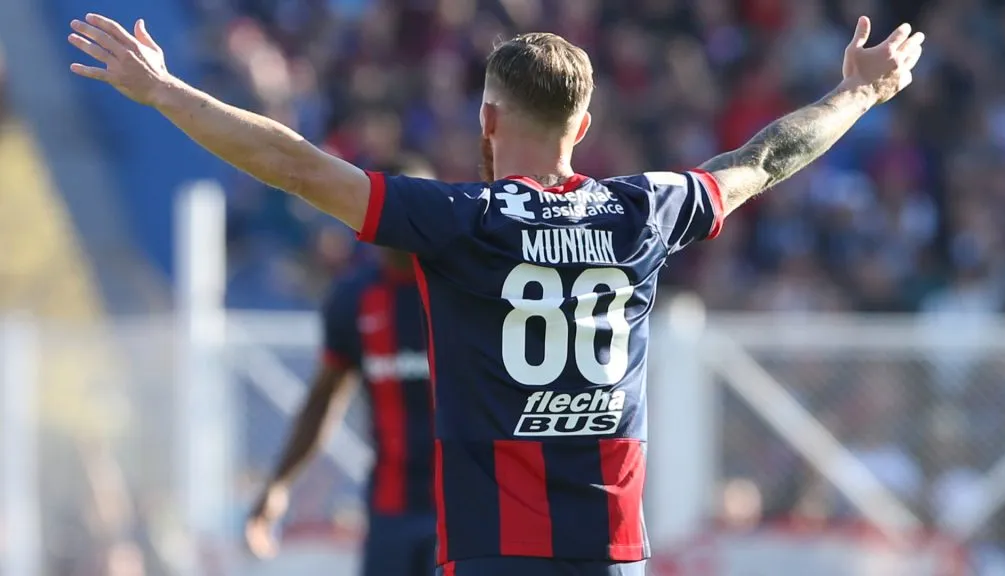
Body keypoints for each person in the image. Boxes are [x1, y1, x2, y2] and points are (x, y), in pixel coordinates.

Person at [67, 13, 924, 576]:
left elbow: (294, 165)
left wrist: (163, 90)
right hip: (613, 551)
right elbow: (763, 160)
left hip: (491, 552)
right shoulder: (644, 211)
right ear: (583, 126)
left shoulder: (460, 222)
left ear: (486, 119)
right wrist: (862, 89)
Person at [245, 157, 438, 576]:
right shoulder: (354, 299)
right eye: (394, 205)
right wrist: (279, 484)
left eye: (416, 205)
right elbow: (322, 401)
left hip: (467, 511)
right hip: (391, 512)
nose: (405, 218)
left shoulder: (463, 292)